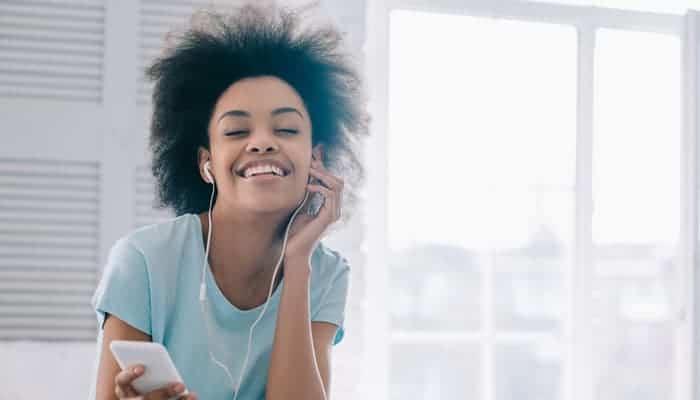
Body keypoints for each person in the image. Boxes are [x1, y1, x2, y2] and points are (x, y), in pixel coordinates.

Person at [89, 3, 369, 399]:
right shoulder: (144, 260)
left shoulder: (324, 272)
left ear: (316, 159)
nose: (262, 142)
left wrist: (298, 261)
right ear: (207, 164)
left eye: (286, 128)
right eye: (236, 131)